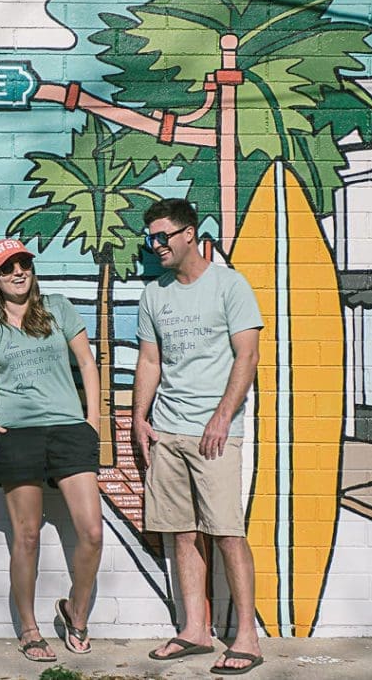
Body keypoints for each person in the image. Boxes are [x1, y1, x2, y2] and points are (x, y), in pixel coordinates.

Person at [133, 198, 265, 675]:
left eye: (162, 236)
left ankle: (246, 637)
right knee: (183, 533)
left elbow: (247, 357)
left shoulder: (229, 285)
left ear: (189, 233)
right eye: (150, 237)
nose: (156, 245)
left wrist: (222, 417)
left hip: (215, 433)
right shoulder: (155, 294)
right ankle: (195, 631)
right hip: (167, 429)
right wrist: (139, 418)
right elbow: (150, 361)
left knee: (227, 531)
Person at [0, 239, 103, 662]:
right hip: (18, 435)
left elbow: (88, 365)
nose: (18, 272)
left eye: (23, 264)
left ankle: (76, 614)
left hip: (69, 431)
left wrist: (92, 423)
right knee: (26, 537)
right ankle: (29, 627)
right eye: (7, 268)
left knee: (92, 533)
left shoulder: (59, 307)